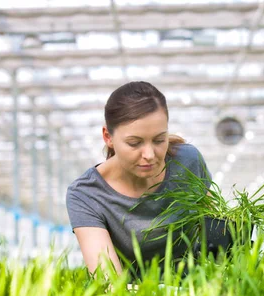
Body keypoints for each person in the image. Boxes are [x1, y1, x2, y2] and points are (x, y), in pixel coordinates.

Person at [66, 81, 211, 278]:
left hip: (196, 290)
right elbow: (108, 281)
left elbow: (217, 233)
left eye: (159, 140)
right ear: (108, 137)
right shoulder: (86, 194)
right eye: (134, 143)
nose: (150, 154)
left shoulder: (187, 162)